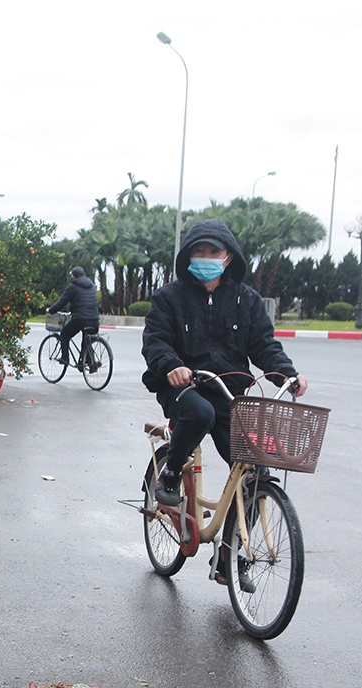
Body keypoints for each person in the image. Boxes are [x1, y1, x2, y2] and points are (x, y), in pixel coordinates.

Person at [142, 219, 307, 582]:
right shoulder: (170, 297)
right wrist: (172, 366)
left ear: (228, 256)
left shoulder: (247, 300)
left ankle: (229, 558)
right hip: (184, 388)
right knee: (198, 411)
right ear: (187, 256)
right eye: (198, 251)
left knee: (255, 469)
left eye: (212, 251)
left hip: (231, 393)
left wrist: (288, 375)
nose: (205, 258)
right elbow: (155, 340)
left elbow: (265, 345)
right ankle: (169, 474)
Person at [46, 267, 100, 366]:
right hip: (95, 319)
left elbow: (62, 302)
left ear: (73, 276)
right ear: (83, 275)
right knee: (87, 339)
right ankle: (89, 362)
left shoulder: (73, 286)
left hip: (80, 319)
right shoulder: (92, 285)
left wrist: (51, 310)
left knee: (65, 334)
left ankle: (65, 358)